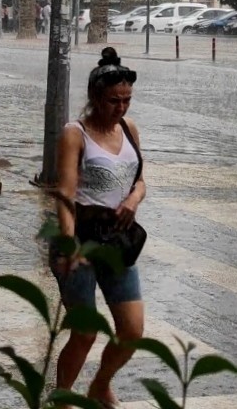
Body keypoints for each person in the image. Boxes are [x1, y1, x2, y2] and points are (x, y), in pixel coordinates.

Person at [52, 47, 146, 408]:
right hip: (81, 238)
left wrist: (133, 199)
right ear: (94, 96)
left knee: (132, 330)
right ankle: (62, 398)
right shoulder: (75, 134)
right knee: (85, 331)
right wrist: (69, 244)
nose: (120, 108)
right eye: (113, 101)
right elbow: (65, 193)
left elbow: (140, 180)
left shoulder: (129, 129)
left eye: (126, 100)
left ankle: (100, 385)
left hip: (119, 241)